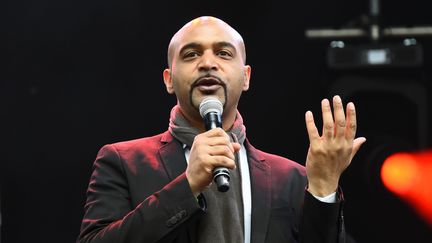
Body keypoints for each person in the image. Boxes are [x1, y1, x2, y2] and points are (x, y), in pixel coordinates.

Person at [77, 16, 366, 243]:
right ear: (168, 79)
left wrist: (323, 189)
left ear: (246, 77)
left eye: (224, 53)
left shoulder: (291, 178)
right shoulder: (122, 161)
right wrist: (187, 185)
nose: (207, 63)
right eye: (191, 55)